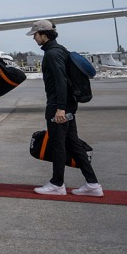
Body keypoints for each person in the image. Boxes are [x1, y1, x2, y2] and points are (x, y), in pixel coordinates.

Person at [28, 20, 103, 197]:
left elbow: (61, 82)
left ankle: (57, 184)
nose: (34, 38)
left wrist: (60, 108)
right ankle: (92, 184)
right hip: (68, 104)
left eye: (35, 34)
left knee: (57, 144)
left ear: (44, 34)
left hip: (58, 105)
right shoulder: (60, 50)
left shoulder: (52, 54)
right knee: (72, 143)